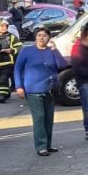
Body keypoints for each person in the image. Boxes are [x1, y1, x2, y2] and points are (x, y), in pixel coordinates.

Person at [14, 28, 68, 156]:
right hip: (33, 90)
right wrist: (19, 86)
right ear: (35, 37)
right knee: (39, 118)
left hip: (50, 89)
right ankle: (41, 146)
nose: (41, 38)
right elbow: (17, 69)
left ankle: (48, 144)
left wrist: (55, 50)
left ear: (49, 38)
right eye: (39, 35)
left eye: (44, 36)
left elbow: (62, 65)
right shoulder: (27, 51)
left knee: (48, 119)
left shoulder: (51, 51)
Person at [0, 17, 22, 103]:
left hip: (8, 63)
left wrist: (12, 50)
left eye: (5, 26)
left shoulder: (11, 37)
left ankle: (1, 96)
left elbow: (19, 47)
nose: (4, 27)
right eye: (1, 26)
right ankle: (6, 93)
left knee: (3, 79)